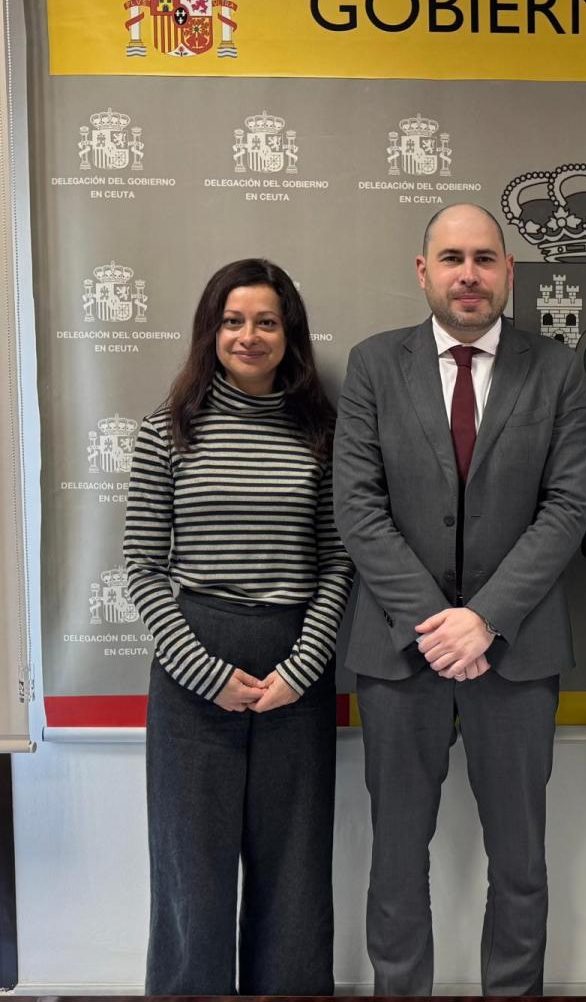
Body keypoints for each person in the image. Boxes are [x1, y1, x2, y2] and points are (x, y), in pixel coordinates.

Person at [333, 202, 586, 995]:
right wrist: (435, 624)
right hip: (396, 651)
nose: (469, 274)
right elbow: (359, 506)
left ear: (509, 271)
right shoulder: (375, 365)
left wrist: (484, 620)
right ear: (424, 272)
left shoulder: (556, 369)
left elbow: (567, 507)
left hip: (515, 652)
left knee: (519, 859)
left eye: (486, 258)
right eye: (452, 258)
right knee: (396, 855)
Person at [123, 258, 353, 995]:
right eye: (232, 321)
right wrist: (206, 674)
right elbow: (141, 566)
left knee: (294, 873)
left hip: (296, 668)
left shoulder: (322, 432)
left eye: (265, 321)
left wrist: (301, 668)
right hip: (194, 668)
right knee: (193, 870)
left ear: (289, 335)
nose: (247, 336)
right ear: (209, 332)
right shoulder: (168, 431)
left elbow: (337, 562)